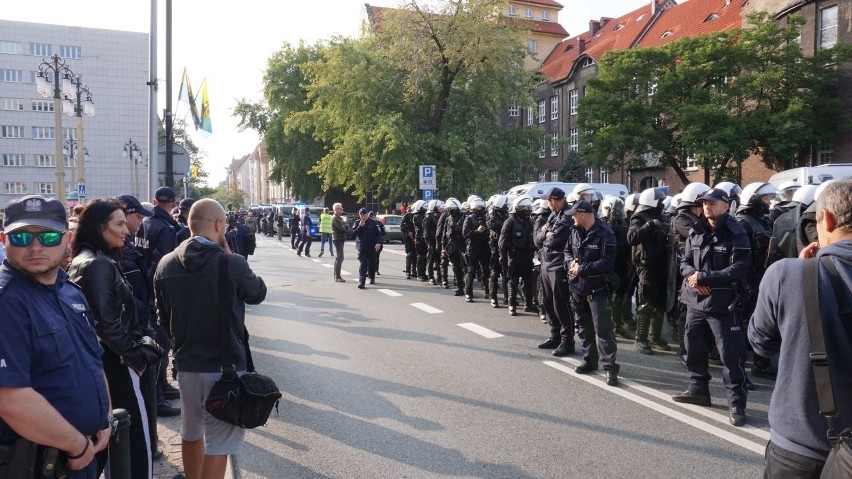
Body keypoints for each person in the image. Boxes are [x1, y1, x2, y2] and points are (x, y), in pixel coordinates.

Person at [153, 199, 267, 479]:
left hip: (186, 364)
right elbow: (257, 294)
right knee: (220, 443)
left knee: (191, 432)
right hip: (224, 368)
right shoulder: (230, 263)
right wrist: (231, 257)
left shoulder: (165, 264)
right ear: (218, 224)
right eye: (224, 224)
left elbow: (161, 319)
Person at [0, 195, 111, 478]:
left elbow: (93, 361)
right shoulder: (7, 301)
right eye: (22, 237)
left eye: (49, 237)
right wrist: (75, 445)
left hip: (81, 455)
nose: (35, 247)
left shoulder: (70, 291)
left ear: (67, 239)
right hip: (37, 464)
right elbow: (10, 397)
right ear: (4, 240)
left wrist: (105, 418)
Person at [749, 179, 852, 477]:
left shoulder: (786, 274)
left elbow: (761, 343)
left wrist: (799, 280)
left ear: (828, 219)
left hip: (801, 444)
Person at [68, 198, 163, 478]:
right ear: (99, 227)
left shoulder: (97, 259)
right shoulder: (97, 264)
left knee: (120, 440)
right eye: (119, 224)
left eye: (125, 223)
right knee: (134, 441)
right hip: (117, 364)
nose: (127, 230)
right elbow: (105, 324)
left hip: (113, 361)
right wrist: (138, 357)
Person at [673, 188, 751, 427]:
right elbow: (684, 261)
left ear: (726, 206)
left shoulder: (736, 232)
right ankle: (698, 389)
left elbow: (738, 268)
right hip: (695, 300)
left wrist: (705, 278)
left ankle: (736, 401)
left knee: (730, 354)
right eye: (705, 202)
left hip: (721, 303)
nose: (707, 206)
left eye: (713, 203)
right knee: (693, 348)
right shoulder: (696, 229)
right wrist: (694, 277)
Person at [116, 194, 162, 461]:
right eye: (134, 217)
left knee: (145, 402)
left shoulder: (129, 244)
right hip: (132, 339)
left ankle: (148, 445)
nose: (135, 224)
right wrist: (138, 354)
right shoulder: (106, 259)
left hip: (141, 325)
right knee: (136, 405)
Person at [563, 200, 620, 386]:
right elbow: (567, 251)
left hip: (597, 288)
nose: (571, 217)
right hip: (577, 287)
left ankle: (610, 368)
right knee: (583, 327)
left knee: (603, 330)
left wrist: (583, 269)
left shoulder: (606, 233)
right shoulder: (574, 231)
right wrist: (570, 263)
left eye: (573, 214)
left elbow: (607, 262)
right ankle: (589, 360)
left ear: (582, 214)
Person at [137, 186, 182, 417]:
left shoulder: (145, 223)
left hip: (145, 289)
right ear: (173, 203)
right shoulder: (166, 229)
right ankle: (158, 396)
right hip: (156, 293)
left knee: (160, 344)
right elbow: (164, 265)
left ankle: (161, 387)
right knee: (161, 344)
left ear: (155, 201)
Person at [627, 186, 671, 354]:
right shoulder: (639, 217)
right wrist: (647, 227)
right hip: (646, 267)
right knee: (646, 303)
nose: (661, 203)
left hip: (661, 265)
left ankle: (655, 336)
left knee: (660, 303)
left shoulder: (661, 216)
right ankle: (641, 339)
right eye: (659, 200)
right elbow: (632, 238)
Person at [534, 187, 575, 356]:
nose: (547, 204)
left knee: (561, 305)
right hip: (546, 263)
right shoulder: (553, 215)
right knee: (548, 302)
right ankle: (555, 336)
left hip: (558, 266)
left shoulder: (567, 216)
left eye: (548, 200)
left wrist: (546, 235)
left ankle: (567, 341)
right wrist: (545, 233)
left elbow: (555, 240)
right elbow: (537, 238)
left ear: (554, 200)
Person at [499, 195, 536, 316]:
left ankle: (528, 304)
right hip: (514, 256)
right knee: (513, 281)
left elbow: (534, 239)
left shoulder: (529, 222)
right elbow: (503, 241)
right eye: (524, 208)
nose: (527, 210)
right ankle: (512, 305)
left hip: (527, 256)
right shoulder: (510, 222)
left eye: (528, 208)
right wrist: (503, 256)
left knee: (528, 280)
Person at [462, 197, 491, 302]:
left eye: (481, 208)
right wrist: (477, 232)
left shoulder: (486, 218)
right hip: (473, 248)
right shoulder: (468, 219)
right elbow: (465, 234)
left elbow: (490, 232)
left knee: (486, 270)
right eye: (478, 208)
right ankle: (468, 292)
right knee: (472, 270)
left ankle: (488, 290)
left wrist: (486, 232)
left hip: (485, 247)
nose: (480, 210)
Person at [352, 207, 382, 289]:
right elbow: (354, 234)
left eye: (364, 215)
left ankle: (372, 277)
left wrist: (378, 243)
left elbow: (378, 235)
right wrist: (360, 227)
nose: (363, 216)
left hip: (372, 246)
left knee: (372, 263)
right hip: (362, 247)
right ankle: (362, 282)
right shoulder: (357, 222)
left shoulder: (373, 223)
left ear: (367, 214)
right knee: (363, 264)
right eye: (361, 215)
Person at [331, 203, 350, 282]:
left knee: (339, 257)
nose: (342, 209)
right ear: (336, 209)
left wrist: (345, 225)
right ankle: (337, 276)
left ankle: (337, 275)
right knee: (340, 257)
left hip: (340, 238)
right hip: (338, 238)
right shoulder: (335, 218)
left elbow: (346, 226)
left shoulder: (339, 217)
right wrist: (345, 226)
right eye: (340, 208)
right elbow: (342, 228)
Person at [368, 211, 386, 280]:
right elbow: (383, 233)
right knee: (376, 257)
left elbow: (383, 232)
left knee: (372, 257)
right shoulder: (379, 223)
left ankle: (373, 270)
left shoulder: (377, 223)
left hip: (376, 242)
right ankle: (375, 270)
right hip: (378, 242)